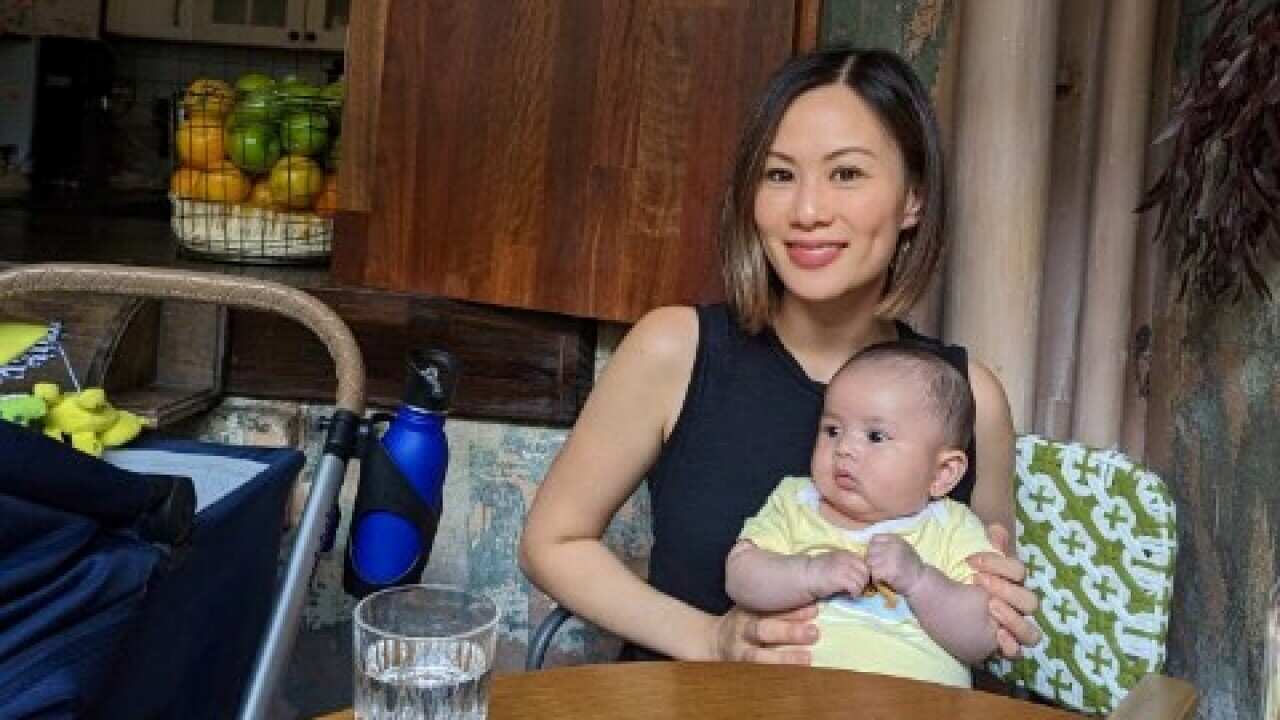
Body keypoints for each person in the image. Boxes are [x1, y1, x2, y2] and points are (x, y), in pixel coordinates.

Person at [519, 46, 1039, 664]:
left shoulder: (972, 397)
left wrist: (1002, 602)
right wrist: (709, 639)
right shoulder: (675, 348)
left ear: (913, 199)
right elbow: (553, 543)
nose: (807, 212)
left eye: (846, 174)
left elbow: (989, 617)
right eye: (779, 175)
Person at [725, 341, 996, 687]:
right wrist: (808, 574)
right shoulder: (797, 500)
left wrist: (919, 581)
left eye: (875, 436)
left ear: (942, 473)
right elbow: (740, 577)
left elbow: (980, 639)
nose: (845, 449)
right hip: (794, 694)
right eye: (833, 430)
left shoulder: (952, 526)